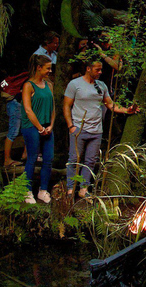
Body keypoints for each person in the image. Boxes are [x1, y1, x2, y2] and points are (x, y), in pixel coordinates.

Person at [63, 58, 139, 198]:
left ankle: (83, 189)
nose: (100, 72)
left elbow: (110, 104)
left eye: (101, 69)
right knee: (74, 159)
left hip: (96, 130)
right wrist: (71, 126)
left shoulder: (101, 85)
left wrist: (127, 110)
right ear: (88, 69)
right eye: (97, 69)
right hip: (79, 128)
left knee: (91, 160)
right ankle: (70, 189)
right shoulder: (75, 84)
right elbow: (66, 105)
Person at [20, 55, 55, 204]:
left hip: (47, 126)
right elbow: (28, 110)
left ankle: (43, 190)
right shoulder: (28, 86)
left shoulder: (49, 85)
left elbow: (53, 107)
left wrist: (51, 125)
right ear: (39, 68)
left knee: (48, 159)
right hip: (32, 127)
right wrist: (40, 128)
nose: (50, 70)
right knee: (32, 158)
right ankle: (27, 191)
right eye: (47, 68)